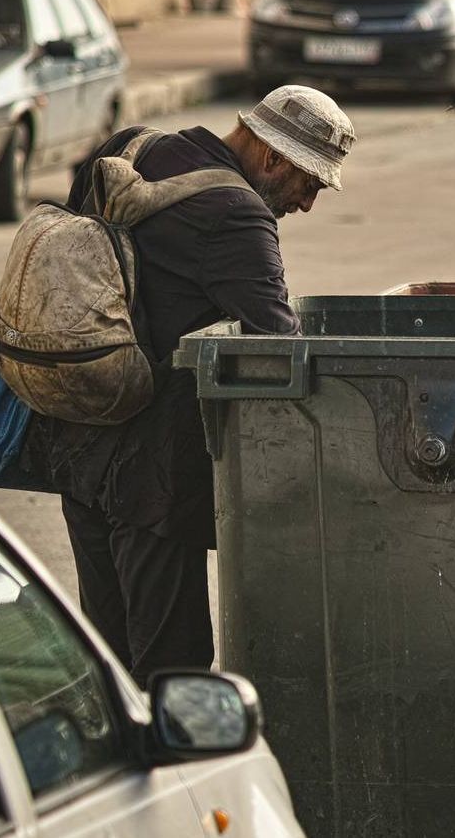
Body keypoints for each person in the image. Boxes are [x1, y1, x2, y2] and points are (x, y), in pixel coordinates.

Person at [24, 85, 356, 683]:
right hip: (153, 477)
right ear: (273, 156)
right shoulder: (236, 214)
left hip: (77, 445)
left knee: (107, 656)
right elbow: (278, 349)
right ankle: (175, 770)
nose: (307, 203)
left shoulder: (132, 148)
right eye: (309, 181)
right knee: (170, 673)